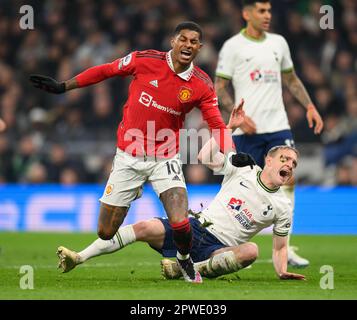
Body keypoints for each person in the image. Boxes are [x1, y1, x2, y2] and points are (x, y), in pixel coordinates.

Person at [30, 21, 234, 283]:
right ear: (173, 41)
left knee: (181, 222)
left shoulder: (202, 84)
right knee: (105, 232)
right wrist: (64, 86)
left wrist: (232, 155)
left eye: (194, 42)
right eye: (183, 39)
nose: (188, 45)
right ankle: (130, 194)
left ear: (200, 48)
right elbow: (105, 71)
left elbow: (217, 124)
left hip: (165, 158)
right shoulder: (144, 60)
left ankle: (184, 260)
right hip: (128, 157)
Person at [56, 103, 305, 281]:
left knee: (251, 251)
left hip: (219, 249)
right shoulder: (245, 169)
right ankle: (78, 257)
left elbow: (280, 248)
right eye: (285, 159)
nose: (289, 165)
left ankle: (187, 268)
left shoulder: (283, 206)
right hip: (196, 228)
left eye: (293, 164)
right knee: (143, 228)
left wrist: (282, 271)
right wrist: (227, 127)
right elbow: (204, 156)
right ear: (269, 161)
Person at [214, 0, 324, 267]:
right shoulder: (232, 47)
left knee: (287, 185)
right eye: (261, 11)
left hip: (278, 127)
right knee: (235, 184)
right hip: (246, 131)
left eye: (269, 11)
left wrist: (309, 105)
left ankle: (286, 248)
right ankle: (226, 244)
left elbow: (291, 79)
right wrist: (240, 117)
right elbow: (219, 88)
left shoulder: (278, 43)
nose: (267, 16)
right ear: (246, 14)